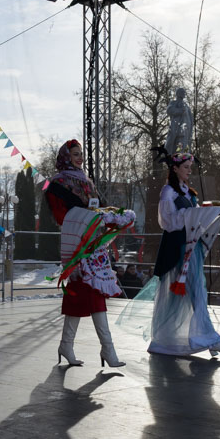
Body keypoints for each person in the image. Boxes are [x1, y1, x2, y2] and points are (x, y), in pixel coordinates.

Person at [120, 148, 220, 358]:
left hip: (191, 246)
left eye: (190, 167)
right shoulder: (168, 191)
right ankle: (207, 340)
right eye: (186, 167)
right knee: (190, 293)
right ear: (175, 169)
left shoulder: (187, 192)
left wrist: (209, 214)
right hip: (178, 247)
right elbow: (167, 222)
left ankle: (176, 340)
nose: (189, 171)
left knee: (194, 292)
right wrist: (191, 214)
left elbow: (194, 219)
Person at [44, 139, 133, 367]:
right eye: (75, 154)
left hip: (94, 244)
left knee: (79, 296)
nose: (80, 158)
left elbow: (100, 207)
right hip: (78, 245)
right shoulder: (57, 184)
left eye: (81, 154)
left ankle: (67, 345)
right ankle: (107, 350)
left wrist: (113, 215)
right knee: (93, 295)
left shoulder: (87, 182)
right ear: (66, 157)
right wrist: (91, 216)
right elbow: (62, 217)